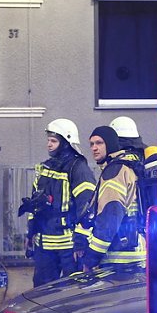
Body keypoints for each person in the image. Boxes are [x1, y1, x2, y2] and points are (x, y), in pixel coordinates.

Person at [19, 118, 95, 287]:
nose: (49, 145)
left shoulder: (78, 168)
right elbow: (34, 205)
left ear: (66, 143)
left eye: (53, 141)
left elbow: (87, 207)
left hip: (69, 246)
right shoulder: (45, 168)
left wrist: (81, 242)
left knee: (72, 292)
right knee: (42, 292)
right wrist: (30, 234)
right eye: (48, 140)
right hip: (44, 244)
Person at [81, 125, 145, 272]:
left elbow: (109, 219)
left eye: (99, 143)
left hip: (120, 257)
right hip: (133, 252)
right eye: (91, 144)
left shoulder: (114, 173)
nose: (94, 148)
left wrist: (91, 259)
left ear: (109, 144)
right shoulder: (128, 166)